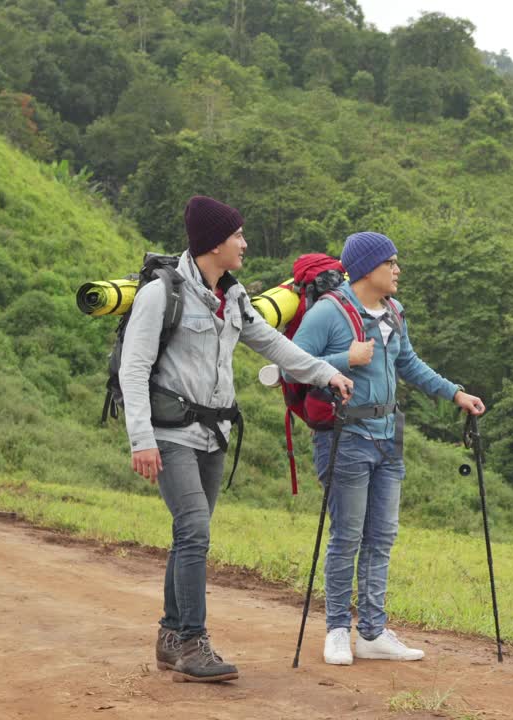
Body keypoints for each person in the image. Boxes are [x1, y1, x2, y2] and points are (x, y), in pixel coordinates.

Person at [120, 195, 353, 683]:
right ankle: (191, 642)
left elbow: (271, 342)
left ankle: (168, 634)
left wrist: (324, 373)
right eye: (238, 236)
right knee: (195, 531)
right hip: (170, 434)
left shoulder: (233, 297)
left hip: (214, 432)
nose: (244, 243)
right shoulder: (160, 295)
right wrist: (141, 438)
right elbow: (134, 369)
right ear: (213, 243)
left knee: (189, 534)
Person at [291, 231, 486, 666]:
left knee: (382, 537)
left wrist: (455, 394)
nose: (398, 270)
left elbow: (409, 363)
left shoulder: (394, 312)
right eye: (391, 263)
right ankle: (338, 630)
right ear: (366, 268)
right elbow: (293, 360)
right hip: (345, 438)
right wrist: (346, 360)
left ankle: (373, 632)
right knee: (347, 537)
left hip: (387, 435)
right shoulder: (328, 312)